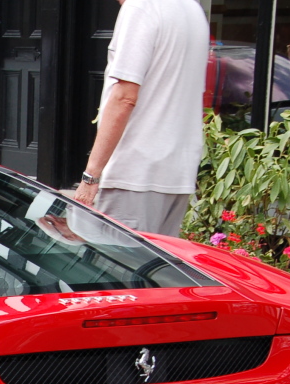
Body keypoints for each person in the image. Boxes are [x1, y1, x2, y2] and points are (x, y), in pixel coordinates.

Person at [69, 0, 208, 237]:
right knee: (155, 268)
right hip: (177, 173)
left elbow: (124, 98)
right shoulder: (192, 9)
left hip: (134, 173)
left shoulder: (140, 7)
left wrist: (90, 177)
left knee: (119, 269)